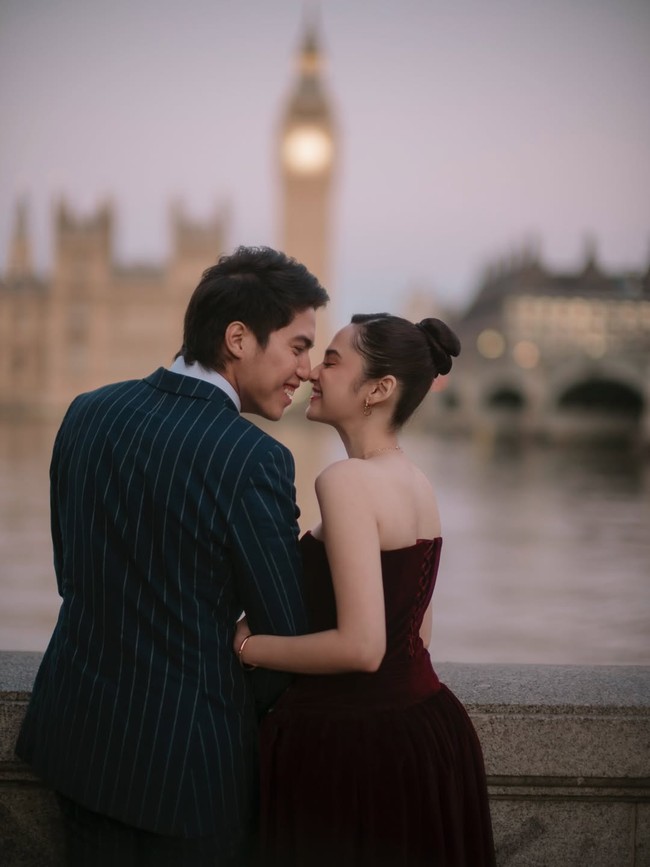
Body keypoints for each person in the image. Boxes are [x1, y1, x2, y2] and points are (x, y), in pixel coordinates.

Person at [15, 246, 329, 866]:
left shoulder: (87, 412)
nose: (308, 369)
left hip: (75, 742)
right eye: (298, 346)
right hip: (187, 774)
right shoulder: (253, 458)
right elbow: (283, 636)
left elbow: (69, 575)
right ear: (238, 338)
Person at [234, 313, 496, 867]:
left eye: (331, 361)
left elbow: (362, 647)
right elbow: (416, 633)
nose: (312, 374)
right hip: (427, 732)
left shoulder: (347, 481)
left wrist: (243, 646)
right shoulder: (417, 484)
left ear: (379, 389)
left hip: (358, 748)